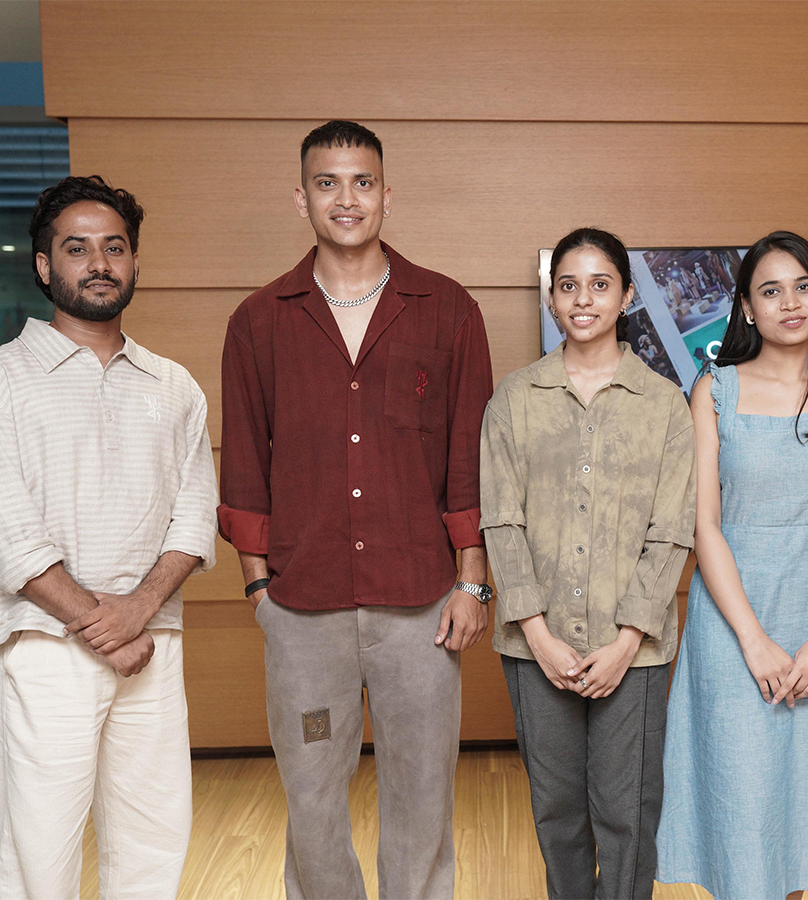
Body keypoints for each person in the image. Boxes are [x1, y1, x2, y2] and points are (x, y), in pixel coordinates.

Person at [217, 120, 494, 900]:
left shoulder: (447, 310)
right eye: (328, 182)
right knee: (310, 795)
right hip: (302, 608)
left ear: (386, 194)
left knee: (423, 792)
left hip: (423, 602)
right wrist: (258, 591)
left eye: (362, 181)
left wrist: (472, 582)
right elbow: (244, 462)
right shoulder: (259, 320)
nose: (347, 198)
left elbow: (468, 456)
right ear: (300, 196)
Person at [0, 175, 218, 899]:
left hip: (151, 650)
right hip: (43, 647)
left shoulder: (173, 386)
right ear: (45, 266)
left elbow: (195, 519)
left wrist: (137, 613)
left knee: (151, 845)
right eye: (77, 248)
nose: (99, 262)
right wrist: (102, 623)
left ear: (135, 262)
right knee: (40, 852)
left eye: (115, 247)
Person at [657, 231, 808, 900]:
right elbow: (706, 526)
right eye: (770, 290)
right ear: (747, 310)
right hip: (733, 628)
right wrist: (754, 642)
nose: (789, 302)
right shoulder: (715, 390)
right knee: (743, 806)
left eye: (803, 286)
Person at [480, 228, 695, 899]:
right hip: (534, 645)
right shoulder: (514, 399)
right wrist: (537, 635)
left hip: (634, 650)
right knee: (558, 811)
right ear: (551, 298)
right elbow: (500, 521)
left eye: (600, 284)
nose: (583, 299)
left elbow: (672, 532)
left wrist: (629, 638)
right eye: (568, 285)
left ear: (626, 295)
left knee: (627, 813)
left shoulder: (664, 405)